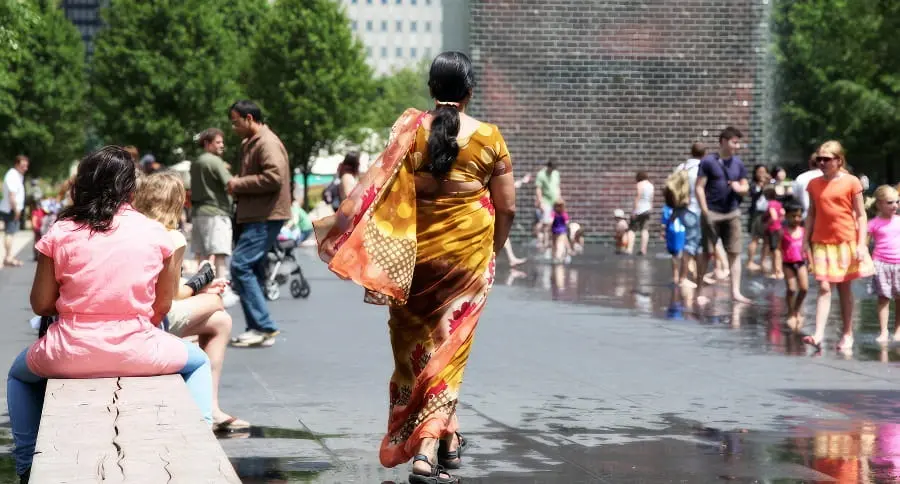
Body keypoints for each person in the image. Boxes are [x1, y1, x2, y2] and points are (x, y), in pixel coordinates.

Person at [315, 51, 515, 484]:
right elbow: (508, 207)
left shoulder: (409, 134)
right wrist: (495, 247)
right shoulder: (490, 137)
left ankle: (449, 436)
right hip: (468, 263)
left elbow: (380, 190)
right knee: (449, 352)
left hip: (411, 264)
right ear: (469, 92)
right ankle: (427, 451)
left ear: (431, 89)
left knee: (418, 353)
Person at [6, 147, 212, 482]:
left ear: (81, 185)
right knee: (200, 361)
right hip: (139, 351)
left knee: (17, 376)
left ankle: (27, 464)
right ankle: (200, 450)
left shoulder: (60, 231)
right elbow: (161, 307)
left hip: (68, 353)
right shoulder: (154, 233)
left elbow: (41, 305)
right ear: (132, 189)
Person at [133, 172, 249, 431]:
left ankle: (209, 405)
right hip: (152, 316)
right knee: (216, 304)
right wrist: (201, 282)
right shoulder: (172, 237)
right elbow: (172, 294)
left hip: (137, 310)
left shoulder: (136, 229)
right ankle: (210, 407)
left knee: (220, 320)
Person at [226, 100, 292, 348]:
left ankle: (263, 325)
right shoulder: (253, 143)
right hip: (257, 214)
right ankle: (257, 327)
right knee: (250, 269)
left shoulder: (266, 142)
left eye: (236, 122)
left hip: (265, 216)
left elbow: (274, 177)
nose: (234, 128)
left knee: (240, 266)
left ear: (249, 119)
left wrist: (238, 184)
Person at [802, 141, 873, 352]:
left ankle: (847, 332)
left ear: (838, 160)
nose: (821, 163)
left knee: (844, 288)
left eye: (826, 159)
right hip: (821, 242)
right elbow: (812, 214)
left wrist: (861, 244)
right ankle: (818, 334)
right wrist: (805, 241)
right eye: (819, 159)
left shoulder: (852, 182)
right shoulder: (814, 184)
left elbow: (861, 215)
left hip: (845, 241)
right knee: (824, 287)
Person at [695, 126, 751, 304]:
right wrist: (704, 211)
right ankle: (699, 291)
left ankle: (735, 292)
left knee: (734, 252)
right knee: (707, 253)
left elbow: (745, 187)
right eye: (735, 142)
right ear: (724, 141)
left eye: (738, 142)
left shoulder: (738, 164)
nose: (738, 146)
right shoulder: (708, 162)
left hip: (732, 212)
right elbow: (699, 187)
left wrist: (739, 188)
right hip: (712, 212)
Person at [190, 128, 234, 283]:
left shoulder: (196, 163)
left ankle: (201, 287)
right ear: (207, 143)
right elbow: (231, 184)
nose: (222, 145)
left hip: (197, 213)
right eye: (218, 142)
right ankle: (222, 288)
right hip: (216, 213)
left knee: (202, 255)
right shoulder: (215, 161)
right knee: (219, 254)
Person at [868, 185, 900, 344]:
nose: (895, 205)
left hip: (899, 264)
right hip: (881, 264)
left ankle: (898, 330)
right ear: (879, 204)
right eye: (890, 202)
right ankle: (883, 331)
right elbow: (864, 245)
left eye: (897, 202)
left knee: (899, 298)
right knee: (883, 298)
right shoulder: (873, 223)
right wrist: (866, 262)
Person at [674, 142, 705, 287]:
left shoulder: (682, 166)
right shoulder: (702, 168)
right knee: (692, 244)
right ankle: (683, 278)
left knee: (693, 244)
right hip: (694, 209)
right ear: (704, 154)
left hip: (681, 208)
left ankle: (695, 276)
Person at [781, 199, 808, 332]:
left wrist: (812, 263)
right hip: (787, 264)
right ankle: (790, 312)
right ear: (786, 216)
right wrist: (776, 266)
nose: (796, 219)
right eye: (793, 216)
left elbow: (809, 248)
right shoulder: (783, 231)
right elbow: (776, 250)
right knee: (791, 289)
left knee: (804, 288)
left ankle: (797, 310)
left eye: (799, 216)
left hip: (801, 262)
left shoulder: (804, 231)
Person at [1, 155, 28, 267]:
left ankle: (9, 256)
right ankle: (8, 257)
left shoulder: (17, 175)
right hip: (11, 209)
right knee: (10, 233)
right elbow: (12, 195)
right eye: (23, 166)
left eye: (26, 166)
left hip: (12, 208)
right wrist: (16, 210)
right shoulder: (12, 176)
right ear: (16, 164)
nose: (25, 168)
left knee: (10, 233)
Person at [746, 164, 770, 272]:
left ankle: (763, 261)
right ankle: (750, 261)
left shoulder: (770, 183)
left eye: (764, 171)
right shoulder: (753, 184)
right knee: (755, 238)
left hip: (768, 213)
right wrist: (761, 186)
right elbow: (753, 194)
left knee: (767, 239)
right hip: (756, 213)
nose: (762, 174)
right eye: (759, 171)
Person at [535, 160, 560, 251]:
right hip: (546, 202)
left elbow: (557, 187)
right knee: (546, 223)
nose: (552, 171)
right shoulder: (541, 174)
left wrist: (559, 199)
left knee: (553, 223)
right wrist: (540, 202)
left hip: (555, 202)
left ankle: (548, 242)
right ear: (548, 167)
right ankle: (544, 243)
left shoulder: (556, 174)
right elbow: (538, 189)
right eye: (551, 169)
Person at [627, 171, 654, 256]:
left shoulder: (640, 184)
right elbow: (651, 198)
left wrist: (634, 210)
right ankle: (643, 249)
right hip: (647, 209)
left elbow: (638, 196)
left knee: (632, 229)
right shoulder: (651, 185)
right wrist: (650, 208)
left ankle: (629, 249)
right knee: (644, 230)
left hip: (639, 210)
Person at [791, 152, 822, 218]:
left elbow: (795, 197)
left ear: (810, 162)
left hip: (806, 215)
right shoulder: (827, 177)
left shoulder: (801, 178)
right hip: (825, 217)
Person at [661, 204, 686, 285]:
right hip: (684, 230)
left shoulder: (667, 206)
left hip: (673, 232)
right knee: (685, 254)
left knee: (675, 255)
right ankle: (683, 277)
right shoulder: (684, 204)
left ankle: (676, 277)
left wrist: (663, 231)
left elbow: (664, 222)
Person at [763, 185, 785, 279]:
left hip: (773, 230)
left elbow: (774, 216)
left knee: (774, 251)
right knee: (778, 250)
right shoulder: (778, 203)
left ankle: (777, 271)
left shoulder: (771, 204)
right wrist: (779, 222)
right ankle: (777, 270)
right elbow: (783, 213)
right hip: (779, 228)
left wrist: (767, 224)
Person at [551, 199, 571, 264]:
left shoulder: (554, 214)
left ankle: (556, 257)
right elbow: (567, 223)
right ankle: (558, 257)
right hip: (561, 231)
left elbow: (550, 221)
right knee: (559, 245)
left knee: (556, 245)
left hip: (555, 231)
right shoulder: (564, 214)